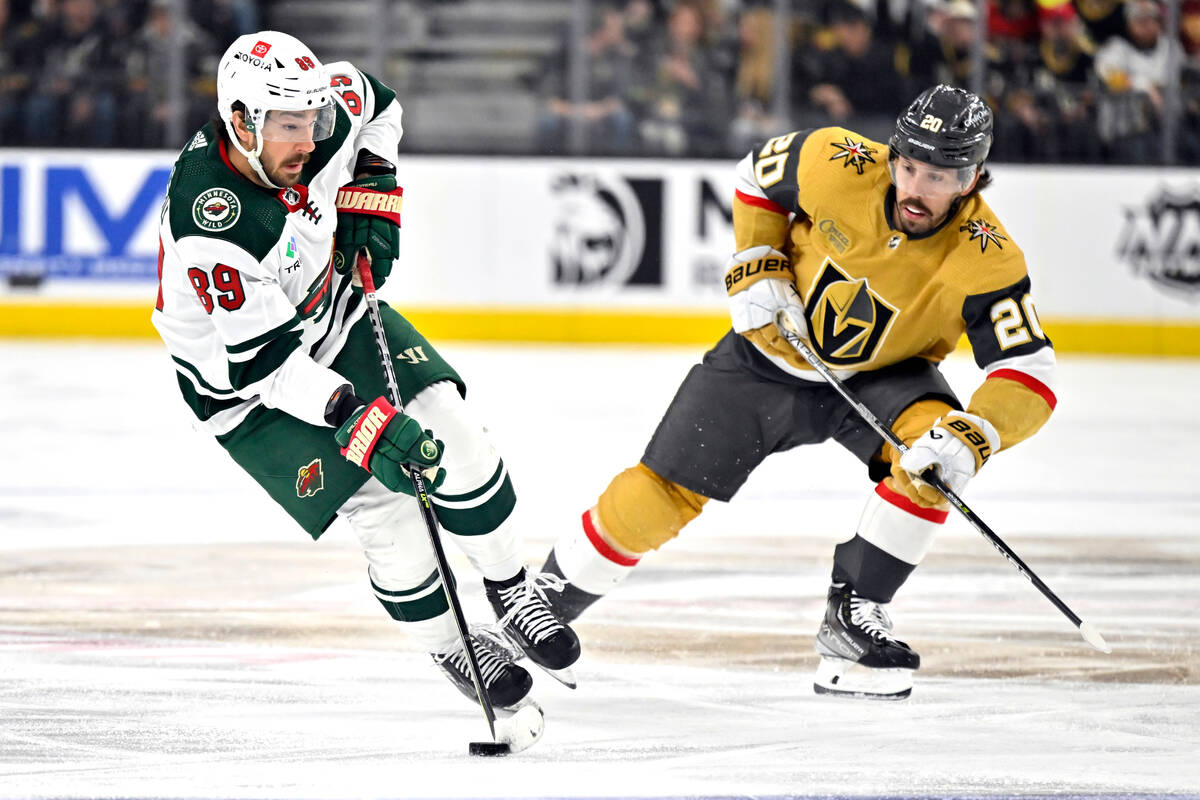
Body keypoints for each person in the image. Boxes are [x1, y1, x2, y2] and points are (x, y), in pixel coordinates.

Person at [541, 85, 1058, 700]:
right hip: (767, 359)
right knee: (663, 491)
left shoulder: (989, 258)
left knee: (933, 461)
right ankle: (544, 603)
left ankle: (854, 615)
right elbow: (755, 177)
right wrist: (759, 257)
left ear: (974, 177)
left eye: (941, 175)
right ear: (893, 156)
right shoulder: (835, 158)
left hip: (886, 375)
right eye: (910, 166)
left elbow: (1031, 371)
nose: (917, 189)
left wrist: (975, 435)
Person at [151, 31, 580, 712]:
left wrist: (374, 183)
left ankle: (511, 585)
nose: (309, 138)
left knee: (455, 437)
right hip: (249, 390)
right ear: (240, 120)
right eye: (289, 127)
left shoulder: (319, 116)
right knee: (388, 512)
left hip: (334, 314)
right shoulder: (212, 219)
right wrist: (358, 417)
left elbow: (378, 103)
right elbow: (265, 365)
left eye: (313, 121)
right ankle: (452, 643)